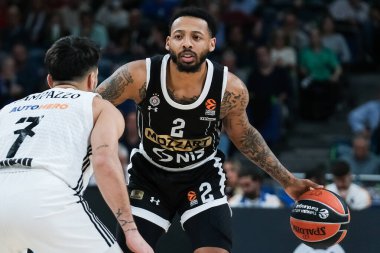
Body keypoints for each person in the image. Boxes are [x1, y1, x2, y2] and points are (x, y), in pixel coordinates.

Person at [96, 7, 321, 253]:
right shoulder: (138, 75)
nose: (187, 43)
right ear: (168, 42)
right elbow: (89, 105)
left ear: (212, 44)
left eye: (196, 37)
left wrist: (287, 180)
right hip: (149, 175)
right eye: (179, 36)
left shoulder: (230, 88)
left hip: (200, 176)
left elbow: (244, 136)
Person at [0, 36, 152, 253]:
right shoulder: (98, 107)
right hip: (47, 198)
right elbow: (103, 161)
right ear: (92, 79)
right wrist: (130, 231)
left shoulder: (8, 110)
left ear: (50, 80)